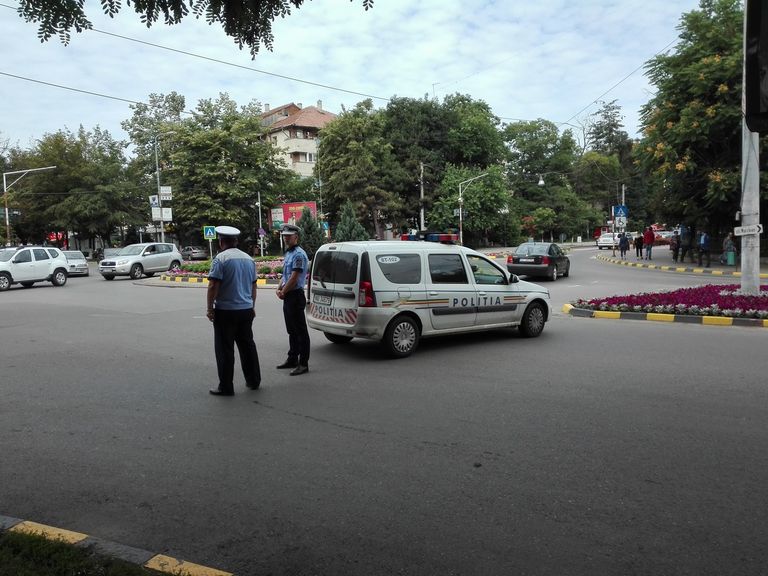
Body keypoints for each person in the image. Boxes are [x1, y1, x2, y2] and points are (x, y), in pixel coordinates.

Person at [206, 225, 261, 396]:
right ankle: (253, 380)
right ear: (236, 241)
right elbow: (254, 286)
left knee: (225, 349)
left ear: (221, 241)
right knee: (247, 346)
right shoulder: (248, 259)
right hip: (245, 310)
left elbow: (213, 285)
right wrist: (251, 306)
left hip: (226, 311)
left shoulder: (220, 259)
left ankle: (226, 386)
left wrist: (209, 308)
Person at [276, 224, 310, 376]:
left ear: (296, 236)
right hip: (288, 295)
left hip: (295, 296)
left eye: (288, 236)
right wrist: (279, 288)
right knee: (291, 330)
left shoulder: (298, 255)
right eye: (284, 236)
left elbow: (295, 277)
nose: (286, 238)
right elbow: (285, 275)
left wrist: (283, 290)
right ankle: (292, 358)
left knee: (300, 331)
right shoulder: (288, 254)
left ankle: (303, 363)